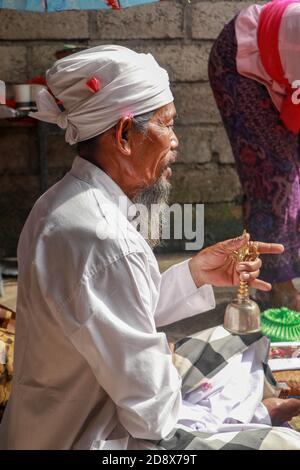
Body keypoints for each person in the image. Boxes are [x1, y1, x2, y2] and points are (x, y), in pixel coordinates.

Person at [0, 45, 299, 450]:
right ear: (124, 135)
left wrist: (196, 272)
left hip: (46, 424)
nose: (175, 141)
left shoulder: (59, 202)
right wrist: (163, 358)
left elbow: (111, 308)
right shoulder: (105, 240)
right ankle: (257, 412)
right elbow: (154, 418)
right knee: (284, 443)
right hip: (87, 439)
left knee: (231, 343)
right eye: (166, 124)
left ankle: (250, 408)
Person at [209, 0, 300, 311]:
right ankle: (277, 289)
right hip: (241, 63)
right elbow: (293, 119)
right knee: (275, 176)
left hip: (285, 70)